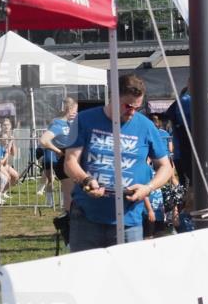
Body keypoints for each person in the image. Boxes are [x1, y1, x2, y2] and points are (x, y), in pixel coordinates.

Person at [63, 74, 173, 251]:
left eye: (137, 107)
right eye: (128, 106)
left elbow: (166, 167)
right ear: (113, 97)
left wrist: (148, 188)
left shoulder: (146, 126)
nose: (132, 112)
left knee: (127, 269)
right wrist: (86, 180)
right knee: (85, 268)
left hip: (129, 218)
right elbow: (70, 161)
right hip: (86, 216)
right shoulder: (84, 119)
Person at [39, 98, 79, 209]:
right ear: (69, 109)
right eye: (76, 110)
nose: (77, 112)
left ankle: (68, 212)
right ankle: (67, 214)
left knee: (73, 193)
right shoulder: (58, 124)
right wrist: (58, 151)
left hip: (73, 161)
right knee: (69, 194)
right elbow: (43, 140)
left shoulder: (72, 124)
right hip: (64, 161)